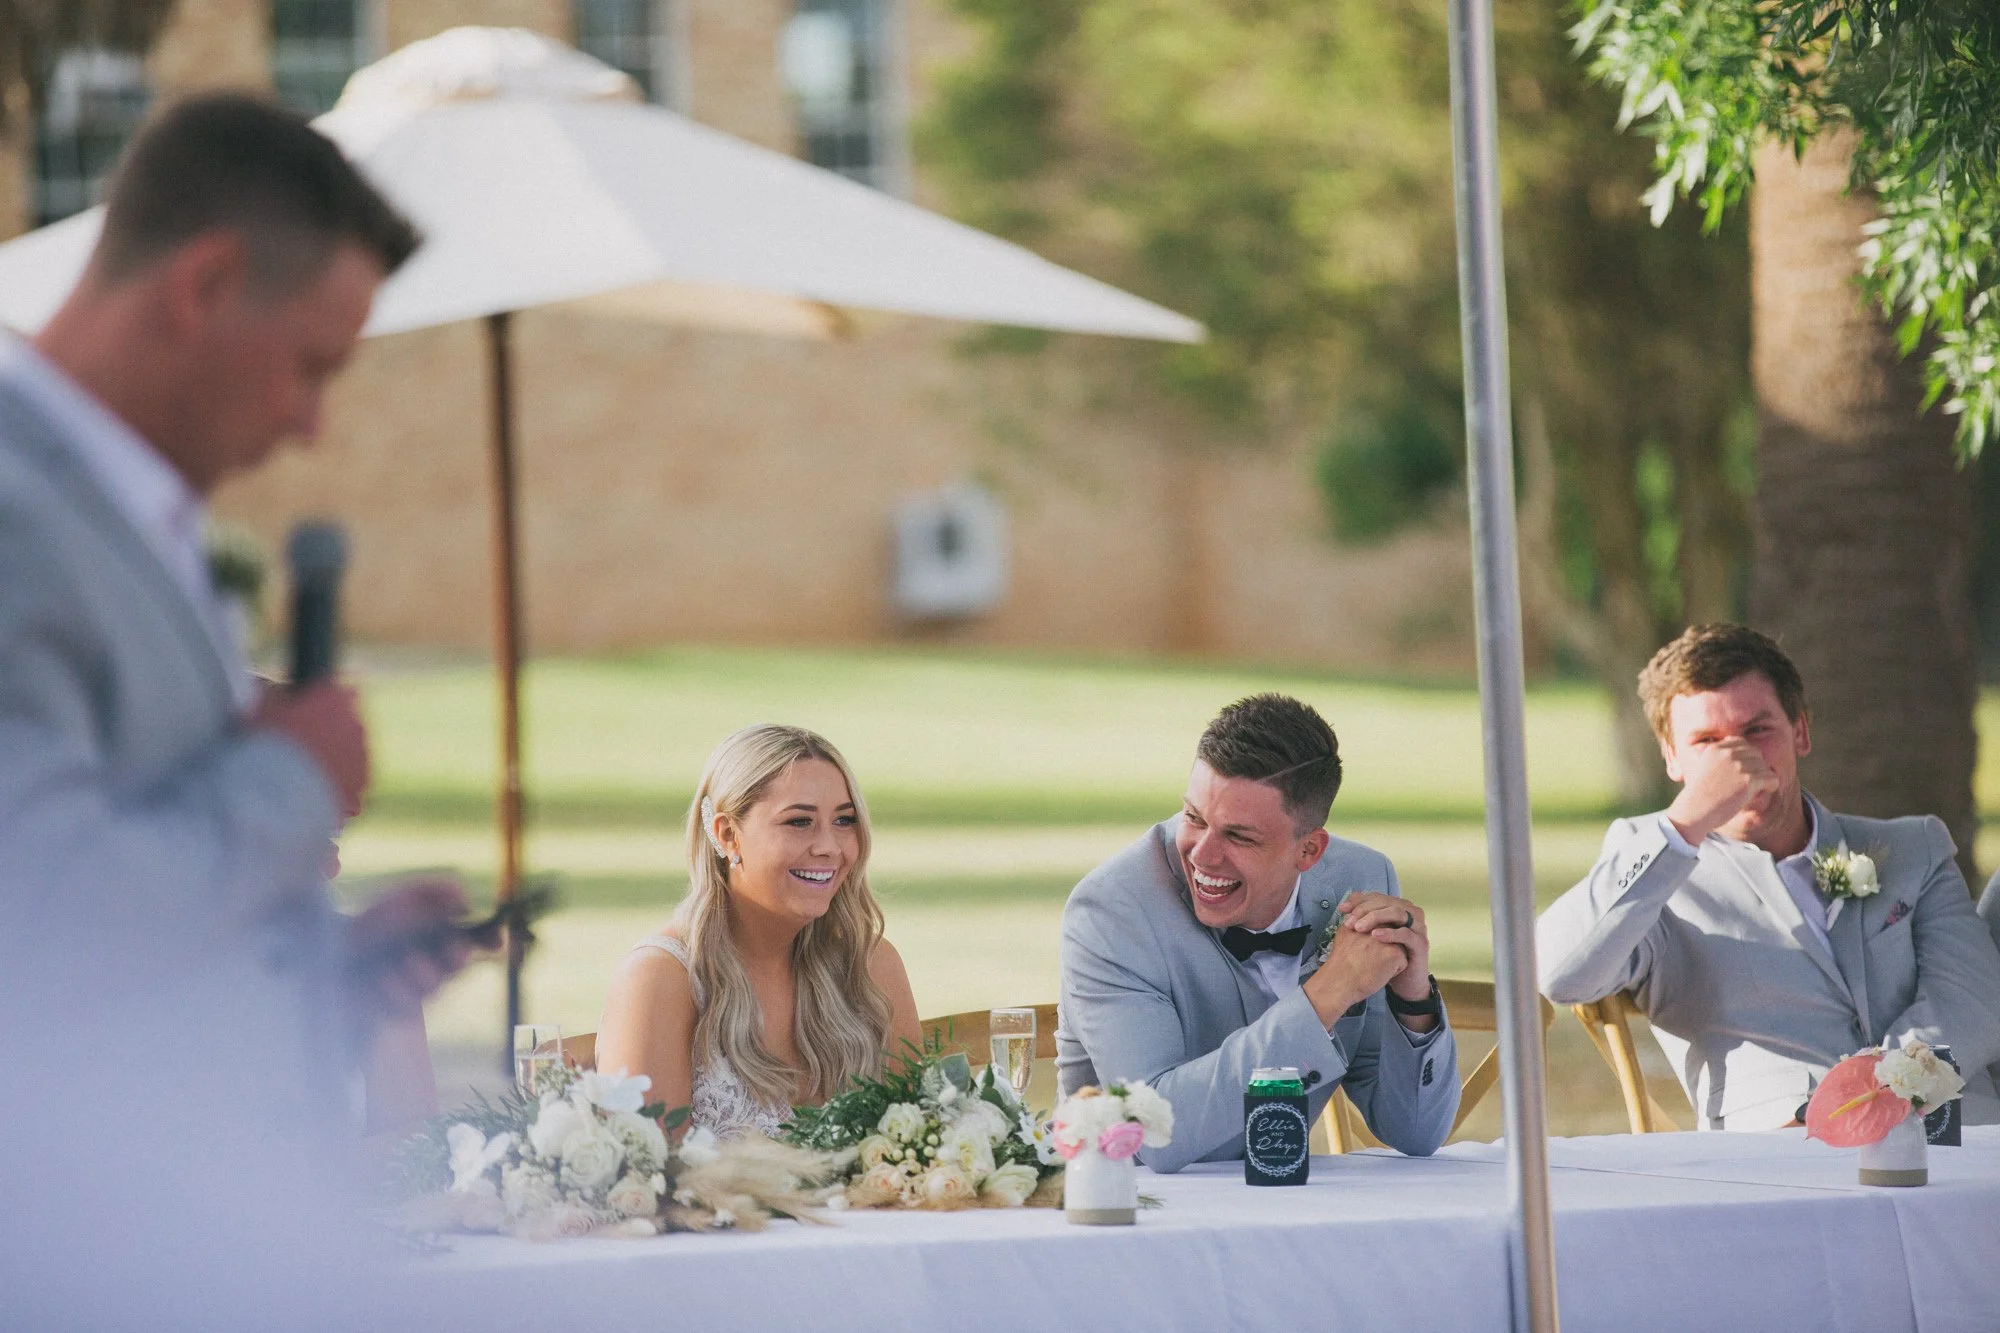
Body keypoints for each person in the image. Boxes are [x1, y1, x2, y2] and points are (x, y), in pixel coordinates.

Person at [0, 94, 473, 1327]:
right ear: (205, 284)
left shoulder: (123, 517)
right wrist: (289, 781)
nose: (312, 423)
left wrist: (319, 967)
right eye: (312, 365)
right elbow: (39, 917)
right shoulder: (16, 518)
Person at [1539, 624, 2000, 1129]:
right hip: (1782, 1160)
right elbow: (1561, 974)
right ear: (1672, 757)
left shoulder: (1913, 847)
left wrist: (1877, 1097)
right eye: (1707, 741)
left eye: (1757, 730)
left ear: (1800, 732)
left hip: (1954, 1141)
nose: (1740, 760)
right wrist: (1683, 827)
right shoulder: (1652, 866)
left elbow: (1975, 999)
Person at [1057, 694, 1459, 1172]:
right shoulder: (1112, 912)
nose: (1202, 855)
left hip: (1290, 1207)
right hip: (1128, 1211)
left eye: (1239, 837)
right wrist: (1329, 993)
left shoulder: (1361, 877)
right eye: (1194, 818)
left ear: (1308, 851)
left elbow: (1415, 1134)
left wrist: (1413, 1001)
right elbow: (1154, 1133)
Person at [597, 724, 922, 1137]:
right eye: (799, 821)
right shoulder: (660, 979)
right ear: (728, 835)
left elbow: (920, 1146)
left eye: (844, 820)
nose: (830, 847)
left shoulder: (871, 966)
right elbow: (646, 1180)